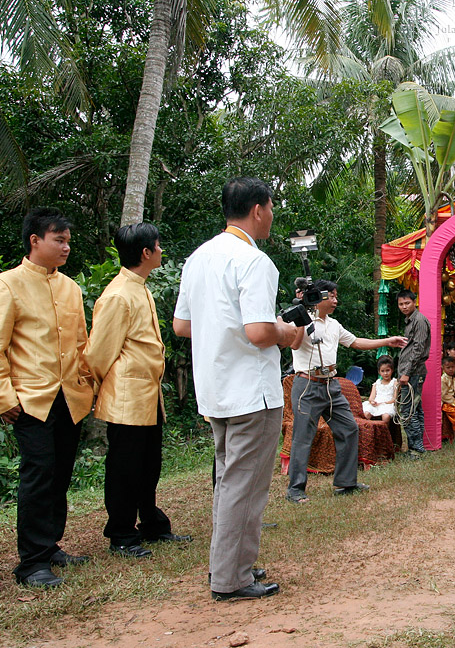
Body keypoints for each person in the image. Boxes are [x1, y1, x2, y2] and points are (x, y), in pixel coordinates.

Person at [173, 177, 298, 601]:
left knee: (230, 481)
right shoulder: (253, 260)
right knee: (244, 486)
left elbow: (182, 325)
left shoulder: (199, 257)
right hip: (251, 392)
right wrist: (290, 332)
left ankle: (230, 564)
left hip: (216, 389)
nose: (272, 215)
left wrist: (222, 332)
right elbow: (261, 331)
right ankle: (231, 579)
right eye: (271, 207)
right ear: (259, 209)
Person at [0, 208, 94, 589]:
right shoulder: (4, 285)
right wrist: (1, 396)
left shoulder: (70, 288)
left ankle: (51, 545)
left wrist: (87, 385)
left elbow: (81, 342)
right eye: (58, 240)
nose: (66, 247)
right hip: (30, 398)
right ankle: (32, 563)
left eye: (67, 241)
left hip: (69, 396)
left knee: (59, 473)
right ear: (35, 241)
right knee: (38, 473)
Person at [86, 223, 190, 560]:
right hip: (126, 398)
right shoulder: (118, 294)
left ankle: (151, 524)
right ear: (146, 253)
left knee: (149, 465)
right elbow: (98, 353)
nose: (162, 251)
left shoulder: (139, 287)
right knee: (125, 467)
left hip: (147, 396)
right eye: (158, 246)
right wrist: (99, 389)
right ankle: (120, 533)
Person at [287, 280, 408, 496]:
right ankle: (295, 489)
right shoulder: (303, 320)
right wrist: (300, 318)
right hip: (307, 385)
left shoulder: (334, 325)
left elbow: (356, 342)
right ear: (319, 297)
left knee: (349, 429)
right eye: (331, 296)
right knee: (304, 436)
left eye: (336, 296)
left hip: (331, 385)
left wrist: (386, 341)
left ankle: (345, 483)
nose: (335, 300)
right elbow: (294, 345)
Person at [395, 289, 431, 457]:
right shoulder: (410, 320)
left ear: (414, 302)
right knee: (414, 409)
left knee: (408, 411)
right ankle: (417, 447)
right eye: (401, 304)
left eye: (407, 303)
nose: (404, 306)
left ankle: (415, 449)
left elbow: (418, 349)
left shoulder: (419, 320)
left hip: (413, 372)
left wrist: (406, 373)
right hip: (410, 372)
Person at [362, 355, 397, 423]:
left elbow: (394, 399)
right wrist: (372, 401)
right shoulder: (376, 384)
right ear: (379, 372)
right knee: (366, 413)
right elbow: (371, 398)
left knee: (386, 416)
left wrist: (383, 403)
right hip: (376, 404)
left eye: (387, 370)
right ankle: (368, 431)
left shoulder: (394, 382)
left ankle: (384, 432)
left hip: (388, 404)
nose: (385, 373)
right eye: (382, 371)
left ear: (392, 370)